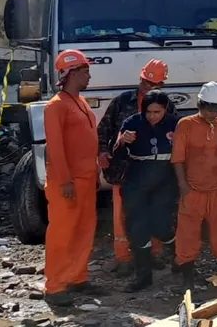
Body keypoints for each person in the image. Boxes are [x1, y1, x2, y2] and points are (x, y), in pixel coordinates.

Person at [97, 59, 169, 276]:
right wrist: (102, 151)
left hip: (153, 170)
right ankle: (124, 258)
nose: (148, 87)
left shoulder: (165, 105)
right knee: (121, 214)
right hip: (125, 168)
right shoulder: (122, 102)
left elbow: (176, 129)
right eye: (146, 82)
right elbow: (104, 128)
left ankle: (153, 255)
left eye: (153, 85)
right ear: (140, 78)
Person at [43, 50, 102, 306]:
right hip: (67, 182)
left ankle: (77, 277)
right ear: (71, 74)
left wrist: (96, 172)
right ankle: (55, 287)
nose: (89, 76)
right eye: (85, 71)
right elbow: (55, 147)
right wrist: (65, 180)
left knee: (84, 230)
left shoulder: (81, 102)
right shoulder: (55, 106)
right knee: (63, 233)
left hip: (87, 179)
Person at [112, 90, 179, 292]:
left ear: (165, 110)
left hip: (165, 179)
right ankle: (144, 276)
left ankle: (179, 255)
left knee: (161, 225)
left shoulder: (176, 124)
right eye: (149, 112)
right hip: (137, 179)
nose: (152, 116)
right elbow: (117, 153)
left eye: (157, 112)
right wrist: (123, 141)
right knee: (138, 228)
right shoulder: (132, 123)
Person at [172, 82, 217, 286]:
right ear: (201, 104)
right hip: (193, 190)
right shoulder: (185, 125)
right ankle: (187, 279)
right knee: (187, 235)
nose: (214, 113)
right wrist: (183, 186)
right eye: (211, 108)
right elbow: (178, 158)